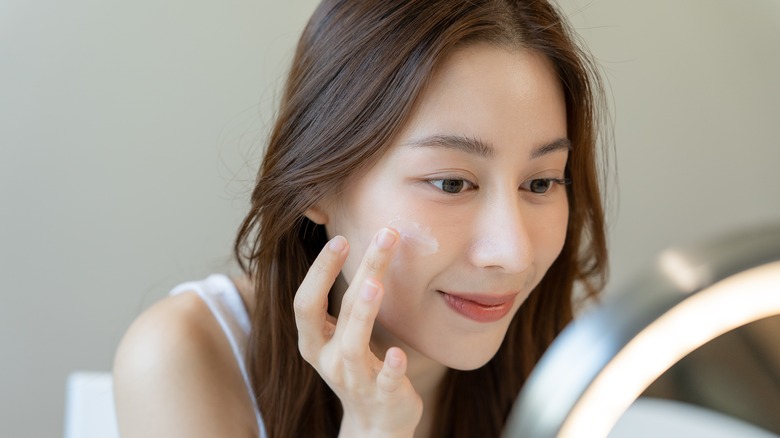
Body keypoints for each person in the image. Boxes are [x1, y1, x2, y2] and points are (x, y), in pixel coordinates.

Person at [113, 0, 608, 436]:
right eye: (452, 183)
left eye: (540, 183)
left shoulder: (568, 366)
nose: (513, 252)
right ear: (316, 181)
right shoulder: (185, 357)